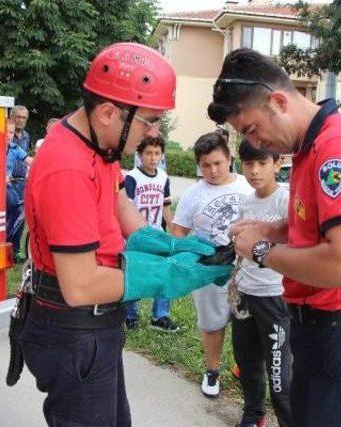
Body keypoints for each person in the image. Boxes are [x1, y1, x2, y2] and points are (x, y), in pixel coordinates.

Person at [19, 42, 232, 427]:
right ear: (107, 112)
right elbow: (81, 286)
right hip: (75, 330)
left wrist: (170, 245)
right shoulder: (67, 167)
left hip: (94, 325)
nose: (153, 133)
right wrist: (168, 275)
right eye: (149, 120)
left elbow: (118, 207)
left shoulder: (98, 144)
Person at [209, 48, 341, 426]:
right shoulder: (308, 149)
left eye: (251, 130)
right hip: (316, 332)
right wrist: (271, 229)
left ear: (278, 101)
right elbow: (314, 224)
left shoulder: (337, 149)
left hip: (339, 339)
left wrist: (263, 250)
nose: (256, 144)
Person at [171, 130, 253, 398]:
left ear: (229, 158)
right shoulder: (194, 194)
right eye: (206, 165)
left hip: (250, 270)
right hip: (209, 269)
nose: (213, 170)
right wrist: (189, 257)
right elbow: (179, 231)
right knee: (212, 324)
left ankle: (247, 369)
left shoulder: (249, 186)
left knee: (249, 323)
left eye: (218, 163)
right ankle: (212, 370)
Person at [231, 139, 291, 427]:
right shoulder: (247, 201)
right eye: (248, 164)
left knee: (279, 372)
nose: (254, 171)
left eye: (262, 163)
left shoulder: (285, 200)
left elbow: (296, 245)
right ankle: (253, 414)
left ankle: (288, 420)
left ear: (278, 163)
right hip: (244, 293)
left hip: (274, 298)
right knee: (247, 362)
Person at [123, 136, 178, 332]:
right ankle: (130, 315)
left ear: (162, 155)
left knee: (164, 273)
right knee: (134, 275)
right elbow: (126, 208)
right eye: (148, 153)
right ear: (140, 155)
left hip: (157, 233)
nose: (153, 158)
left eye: (157, 153)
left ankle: (160, 316)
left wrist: (173, 229)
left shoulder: (163, 177)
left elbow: (166, 206)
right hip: (136, 235)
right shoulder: (132, 177)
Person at [5, 120, 32, 262]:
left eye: (11, 132)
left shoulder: (14, 148)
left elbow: (30, 161)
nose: (9, 135)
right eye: (6, 132)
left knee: (18, 210)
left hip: (7, 186)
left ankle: (8, 241)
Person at [9, 105, 31, 201]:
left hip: (22, 181)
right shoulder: (5, 135)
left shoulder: (26, 135)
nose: (21, 120)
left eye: (24, 118)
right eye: (18, 117)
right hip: (8, 182)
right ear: (11, 118)